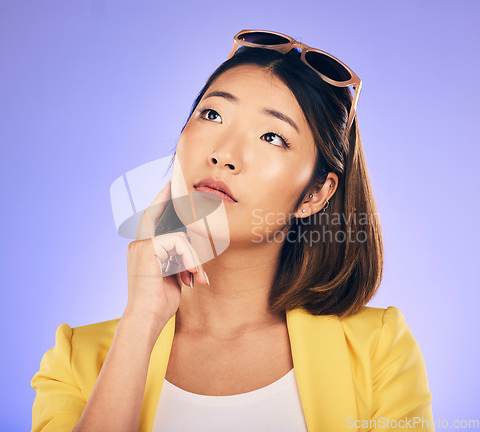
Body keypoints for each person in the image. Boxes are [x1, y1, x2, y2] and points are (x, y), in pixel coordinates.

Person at [30, 29, 435, 432]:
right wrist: (141, 321)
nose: (223, 153)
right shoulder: (75, 359)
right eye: (212, 115)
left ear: (315, 193)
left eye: (272, 136)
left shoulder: (379, 348)